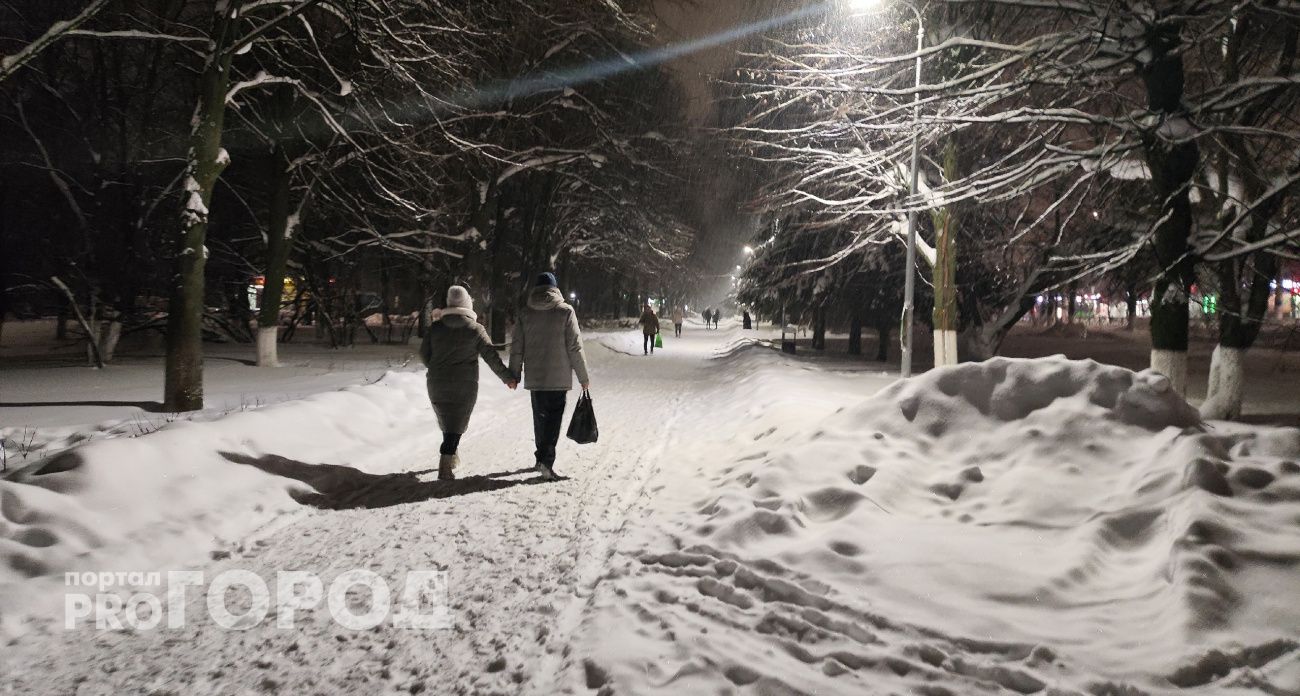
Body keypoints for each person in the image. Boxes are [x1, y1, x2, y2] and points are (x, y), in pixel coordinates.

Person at [420, 285, 517, 481]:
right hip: (464, 385)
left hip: (436, 383)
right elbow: (491, 357)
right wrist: (508, 377)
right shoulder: (475, 329)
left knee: (447, 421)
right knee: (456, 424)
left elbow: (424, 355)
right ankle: (445, 465)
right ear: (466, 304)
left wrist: (437, 367)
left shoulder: (435, 328)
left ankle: (451, 455)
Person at [510, 273, 591, 480]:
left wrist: (515, 373)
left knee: (540, 418)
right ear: (555, 289)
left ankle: (540, 458)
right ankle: (547, 462)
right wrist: (583, 376)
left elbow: (517, 346)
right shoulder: (565, 311)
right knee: (553, 421)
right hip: (558, 378)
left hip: (536, 378)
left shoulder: (525, 312)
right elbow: (574, 346)